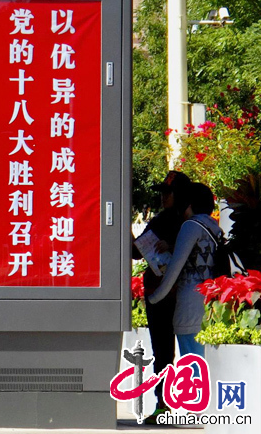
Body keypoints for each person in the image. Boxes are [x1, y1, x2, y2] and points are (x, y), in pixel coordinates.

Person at [132, 170, 190, 418]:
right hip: (159, 293)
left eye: (168, 193)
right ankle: (163, 401)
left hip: (184, 292)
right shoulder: (158, 221)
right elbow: (136, 252)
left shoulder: (192, 223)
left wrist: (174, 246)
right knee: (163, 350)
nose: (164, 197)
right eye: (163, 193)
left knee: (189, 347)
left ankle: (193, 399)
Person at [148, 182, 219, 361]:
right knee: (204, 365)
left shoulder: (190, 226)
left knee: (191, 364)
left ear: (188, 203)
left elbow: (175, 268)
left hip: (189, 302)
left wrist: (154, 298)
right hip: (208, 301)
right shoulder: (214, 227)